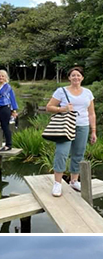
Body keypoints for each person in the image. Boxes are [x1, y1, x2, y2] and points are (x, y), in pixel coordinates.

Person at [46, 67, 97, 197]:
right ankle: (57, 183)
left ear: (82, 78)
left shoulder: (87, 93)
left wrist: (93, 131)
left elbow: (91, 113)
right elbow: (49, 107)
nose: (76, 77)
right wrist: (63, 109)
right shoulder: (61, 91)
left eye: (78, 75)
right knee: (61, 153)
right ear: (69, 78)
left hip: (83, 126)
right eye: (73, 75)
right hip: (65, 126)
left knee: (78, 153)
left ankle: (74, 181)